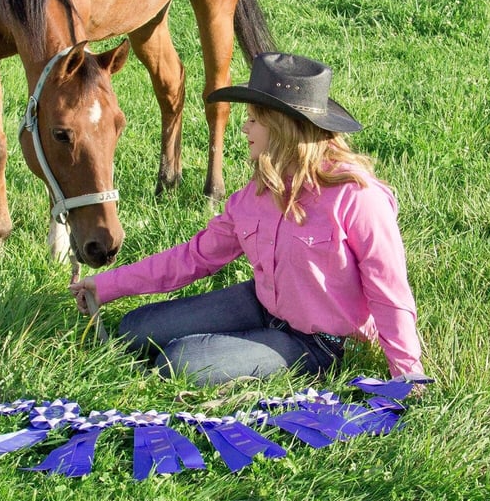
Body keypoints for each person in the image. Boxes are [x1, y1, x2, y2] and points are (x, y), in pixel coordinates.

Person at [70, 52, 425, 387]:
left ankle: (254, 351)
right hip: (262, 303)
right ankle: (248, 343)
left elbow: (388, 290)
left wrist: (407, 376)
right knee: (135, 329)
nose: (245, 129)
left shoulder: (358, 198)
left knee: (178, 363)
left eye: (254, 119)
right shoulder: (256, 194)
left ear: (282, 127)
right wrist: (107, 285)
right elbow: (194, 257)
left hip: (320, 343)